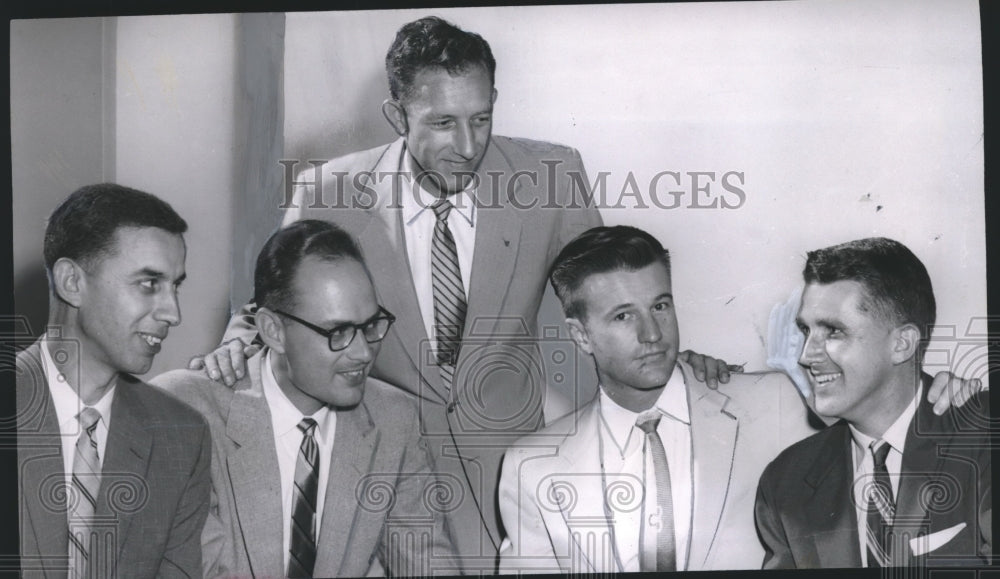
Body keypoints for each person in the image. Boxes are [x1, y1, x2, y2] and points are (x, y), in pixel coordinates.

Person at [189, 15, 737, 567]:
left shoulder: (552, 174)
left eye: (482, 118)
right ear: (396, 115)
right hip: (377, 467)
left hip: (506, 465)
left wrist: (665, 357)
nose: (468, 145)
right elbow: (278, 301)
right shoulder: (328, 190)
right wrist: (235, 343)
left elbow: (611, 292)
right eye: (444, 123)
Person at [497, 225, 822, 572]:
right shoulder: (530, 467)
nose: (652, 333)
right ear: (581, 336)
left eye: (660, 306)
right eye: (623, 316)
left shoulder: (774, 405)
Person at [153, 220, 461, 577]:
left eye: (371, 325)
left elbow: (427, 563)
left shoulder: (394, 418)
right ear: (272, 331)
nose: (363, 352)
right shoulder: (183, 411)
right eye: (338, 332)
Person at [754, 237, 991, 568]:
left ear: (902, 344)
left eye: (833, 332)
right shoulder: (784, 486)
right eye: (806, 331)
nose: (806, 355)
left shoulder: (983, 437)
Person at [16, 183, 210, 578]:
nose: (173, 313)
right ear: (72, 282)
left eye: (176, 286)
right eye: (149, 283)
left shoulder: (182, 436)